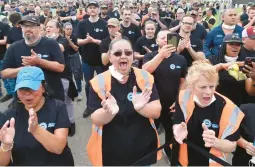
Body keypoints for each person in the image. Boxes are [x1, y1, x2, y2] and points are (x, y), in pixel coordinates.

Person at [87, 38, 162, 166]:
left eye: (128, 53)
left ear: (133, 55)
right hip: (111, 151)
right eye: (117, 53)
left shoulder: (145, 77)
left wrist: (141, 108)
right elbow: (95, 119)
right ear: (110, 57)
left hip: (142, 149)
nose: (123, 56)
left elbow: (156, 112)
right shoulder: (98, 81)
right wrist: (109, 112)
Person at [172, 60, 244, 166]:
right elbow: (177, 119)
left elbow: (232, 145)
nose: (208, 92)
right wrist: (177, 128)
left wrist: (215, 142)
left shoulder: (229, 108)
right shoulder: (184, 96)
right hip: (182, 160)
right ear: (191, 86)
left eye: (212, 86)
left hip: (212, 163)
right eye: (203, 87)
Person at [0, 66, 74, 166]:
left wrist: (36, 129)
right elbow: (3, 163)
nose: (27, 93)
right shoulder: (9, 117)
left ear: (43, 87)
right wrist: (6, 145)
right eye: (22, 88)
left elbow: (58, 147)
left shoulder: (58, 107)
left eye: (31, 87)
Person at [142, 30, 187, 162]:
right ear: (156, 41)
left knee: (171, 132)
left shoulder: (180, 59)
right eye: (162, 38)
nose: (166, 40)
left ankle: (169, 153)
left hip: (171, 105)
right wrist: (161, 55)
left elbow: (183, 81)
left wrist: (179, 99)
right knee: (149, 132)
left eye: (169, 38)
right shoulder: (150, 56)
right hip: (152, 103)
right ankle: (148, 155)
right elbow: (145, 71)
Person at [1, 15, 65, 102]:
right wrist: (25, 69)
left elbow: (61, 67)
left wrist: (39, 61)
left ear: (39, 28)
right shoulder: (14, 47)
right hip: (25, 98)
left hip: (52, 96)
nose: (27, 29)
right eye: (25, 26)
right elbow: (4, 73)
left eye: (31, 26)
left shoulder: (51, 44)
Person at [77, 0, 109, 118]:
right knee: (88, 84)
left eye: (94, 7)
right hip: (87, 60)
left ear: (98, 10)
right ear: (87, 10)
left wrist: (95, 41)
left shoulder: (105, 24)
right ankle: (89, 106)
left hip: (101, 61)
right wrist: (86, 41)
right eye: (90, 7)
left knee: (103, 84)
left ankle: (103, 105)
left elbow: (107, 42)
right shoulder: (82, 24)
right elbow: (78, 41)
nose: (92, 9)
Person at [46, 20, 77, 136]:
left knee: (66, 101)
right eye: (47, 27)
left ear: (58, 29)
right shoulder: (45, 40)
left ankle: (71, 122)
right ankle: (57, 123)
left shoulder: (63, 40)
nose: (47, 28)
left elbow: (60, 48)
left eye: (50, 27)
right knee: (52, 102)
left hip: (63, 77)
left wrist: (46, 41)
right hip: (50, 77)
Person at [63, 22, 83, 102]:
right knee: (68, 75)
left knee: (77, 74)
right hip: (66, 57)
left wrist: (69, 41)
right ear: (64, 29)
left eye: (71, 29)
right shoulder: (61, 37)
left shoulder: (74, 36)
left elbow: (76, 49)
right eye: (67, 29)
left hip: (74, 56)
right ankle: (71, 91)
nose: (69, 30)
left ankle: (79, 91)